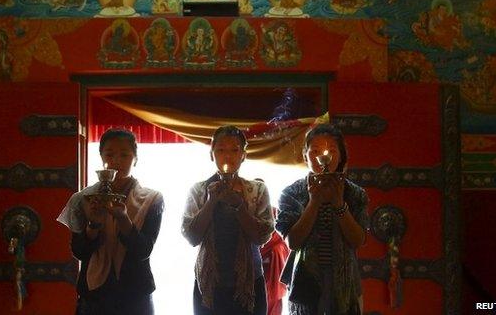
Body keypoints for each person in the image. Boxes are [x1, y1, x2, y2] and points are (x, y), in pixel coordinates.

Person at [57, 129, 164, 315]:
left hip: (135, 293)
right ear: (101, 158)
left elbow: (143, 250)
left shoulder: (151, 199)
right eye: (110, 154)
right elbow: (79, 251)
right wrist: (94, 224)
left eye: (125, 155)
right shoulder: (83, 199)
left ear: (135, 159)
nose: (117, 161)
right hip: (94, 295)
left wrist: (123, 219)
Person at [276, 124, 369, 315]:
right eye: (315, 151)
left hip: (344, 281)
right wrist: (314, 202)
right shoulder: (292, 193)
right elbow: (293, 241)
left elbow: (357, 240)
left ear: (341, 155)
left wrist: (338, 204)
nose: (323, 157)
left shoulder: (354, 194)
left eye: (331, 150)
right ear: (305, 156)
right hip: (306, 280)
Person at [182, 126, 274, 315]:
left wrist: (239, 205)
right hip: (209, 284)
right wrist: (211, 201)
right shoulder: (199, 191)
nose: (228, 156)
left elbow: (261, 237)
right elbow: (192, 237)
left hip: (249, 282)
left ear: (243, 155)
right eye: (221, 150)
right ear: (211, 154)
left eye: (235, 150)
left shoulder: (257, 190)